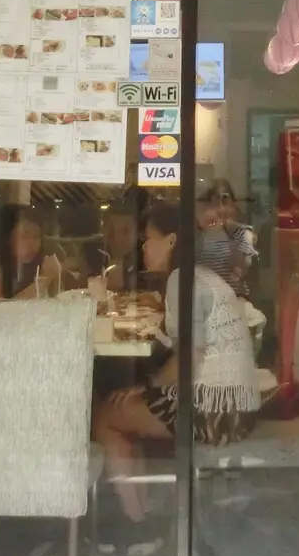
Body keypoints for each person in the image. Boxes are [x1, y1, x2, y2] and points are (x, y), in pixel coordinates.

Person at [92, 201, 262, 526]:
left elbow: (191, 355)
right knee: (124, 409)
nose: (143, 247)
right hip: (236, 403)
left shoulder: (182, 281)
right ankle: (141, 513)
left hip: (217, 411)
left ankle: (135, 524)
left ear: (170, 240)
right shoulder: (194, 276)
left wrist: (148, 385)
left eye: (148, 239)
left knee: (105, 416)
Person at [0, 203, 63, 299]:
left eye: (36, 236)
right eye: (24, 236)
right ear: (7, 238)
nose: (31, 244)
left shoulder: (34, 265)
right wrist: (44, 280)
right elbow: (2, 309)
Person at [195, 179, 256, 297]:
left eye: (225, 202)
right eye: (215, 203)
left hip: (233, 298)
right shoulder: (199, 234)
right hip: (203, 297)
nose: (221, 209)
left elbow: (242, 270)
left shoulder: (241, 234)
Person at [83, 204, 140, 292]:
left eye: (125, 231)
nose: (117, 238)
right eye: (111, 231)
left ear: (137, 233)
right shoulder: (94, 256)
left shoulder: (145, 260)